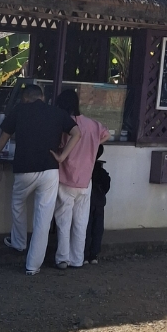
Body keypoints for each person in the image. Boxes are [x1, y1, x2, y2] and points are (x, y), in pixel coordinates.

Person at [0, 83, 69, 274]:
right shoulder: (57, 112)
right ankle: (32, 266)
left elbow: (4, 136)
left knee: (18, 203)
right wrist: (62, 156)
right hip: (50, 169)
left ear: (25, 98)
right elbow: (77, 133)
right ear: (42, 97)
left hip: (24, 169)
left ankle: (19, 242)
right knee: (43, 217)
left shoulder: (20, 110)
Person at [53, 85, 108, 270]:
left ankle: (63, 259)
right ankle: (77, 259)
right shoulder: (92, 124)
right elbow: (106, 135)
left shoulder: (65, 124)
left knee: (63, 221)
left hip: (66, 178)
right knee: (81, 222)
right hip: (85, 181)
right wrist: (93, 144)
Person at [84, 145, 111, 263]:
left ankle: (84, 255)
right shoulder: (103, 172)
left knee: (86, 228)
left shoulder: (85, 169)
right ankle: (94, 255)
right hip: (99, 202)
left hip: (88, 202)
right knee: (98, 229)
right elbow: (107, 187)